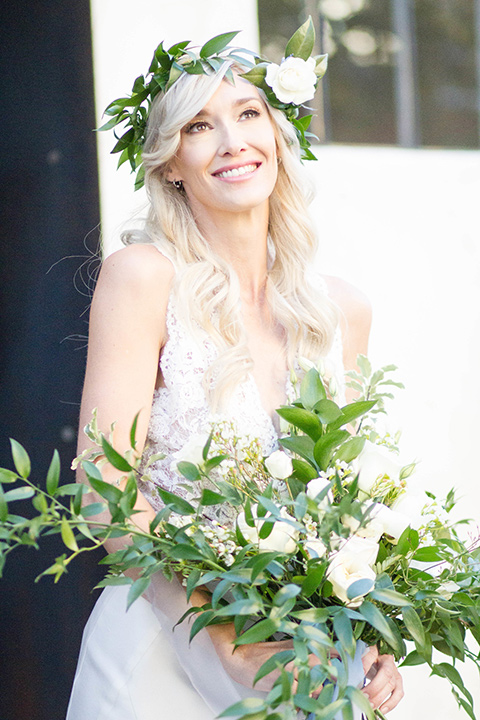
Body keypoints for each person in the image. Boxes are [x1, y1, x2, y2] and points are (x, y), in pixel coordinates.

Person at [66, 25, 403, 720]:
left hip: (300, 660)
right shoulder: (142, 278)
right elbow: (102, 490)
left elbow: (351, 512)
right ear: (169, 164)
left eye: (249, 114)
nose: (232, 143)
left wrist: (371, 631)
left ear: (278, 135)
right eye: (198, 126)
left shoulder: (341, 311)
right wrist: (214, 636)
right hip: (160, 650)